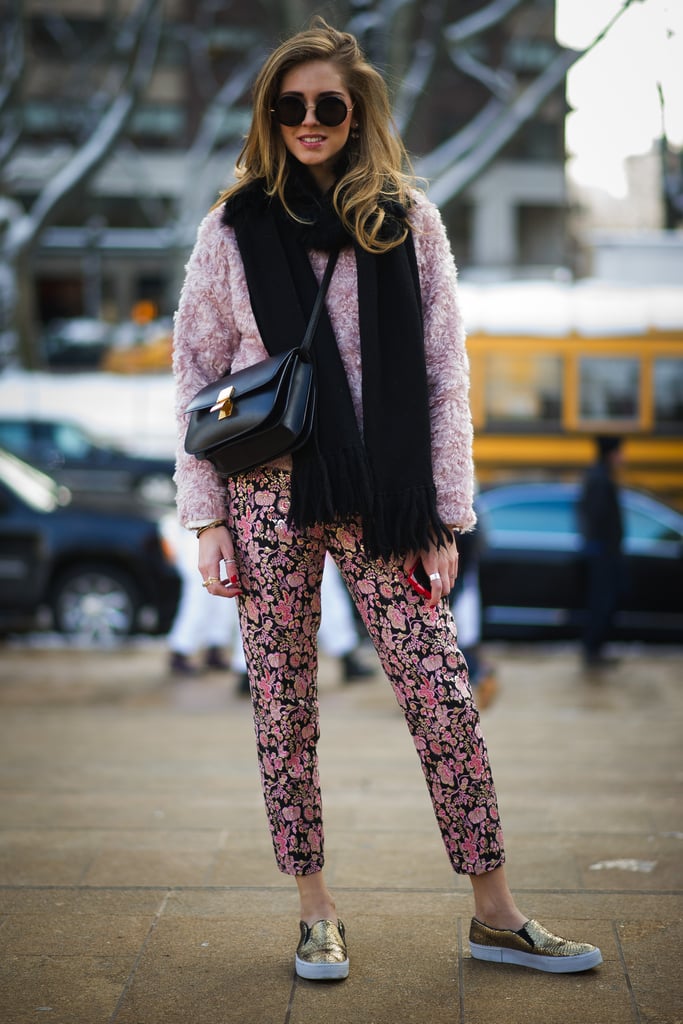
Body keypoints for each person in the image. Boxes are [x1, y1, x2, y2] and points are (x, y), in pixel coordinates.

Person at [173, 18, 602, 981]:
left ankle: (495, 913)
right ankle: (315, 912)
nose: (310, 121)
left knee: (443, 698)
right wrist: (205, 517)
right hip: (267, 490)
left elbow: (445, 379)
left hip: (385, 493)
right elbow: (198, 375)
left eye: (329, 105)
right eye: (291, 106)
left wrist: (446, 514)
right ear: (269, 115)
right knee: (283, 706)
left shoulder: (410, 220)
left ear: (358, 113)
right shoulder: (231, 228)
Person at [577, 435, 625, 668]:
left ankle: (596, 650)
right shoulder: (600, 479)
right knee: (601, 602)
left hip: (602, 551)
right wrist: (599, 547)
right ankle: (593, 651)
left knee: (602, 601)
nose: (622, 458)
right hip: (603, 553)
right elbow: (595, 518)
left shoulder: (598, 476)